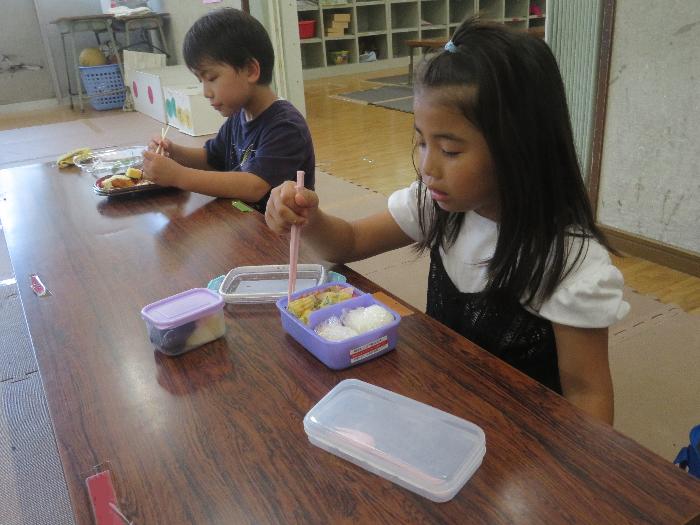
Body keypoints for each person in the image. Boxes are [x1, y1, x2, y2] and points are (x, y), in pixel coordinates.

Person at [265, 19, 629, 424]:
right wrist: (309, 216)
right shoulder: (438, 206)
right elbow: (347, 243)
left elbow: (587, 395)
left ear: (520, 150)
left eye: (450, 151)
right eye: (421, 141)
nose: (427, 167)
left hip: (525, 445)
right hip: (443, 410)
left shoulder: (569, 263)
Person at [142, 8, 315, 212]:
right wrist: (174, 152)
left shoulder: (285, 126)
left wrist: (178, 175)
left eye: (212, 78)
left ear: (250, 70)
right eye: (201, 81)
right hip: (242, 222)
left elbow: (254, 186)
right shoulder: (239, 117)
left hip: (278, 238)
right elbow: (212, 158)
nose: (206, 92)